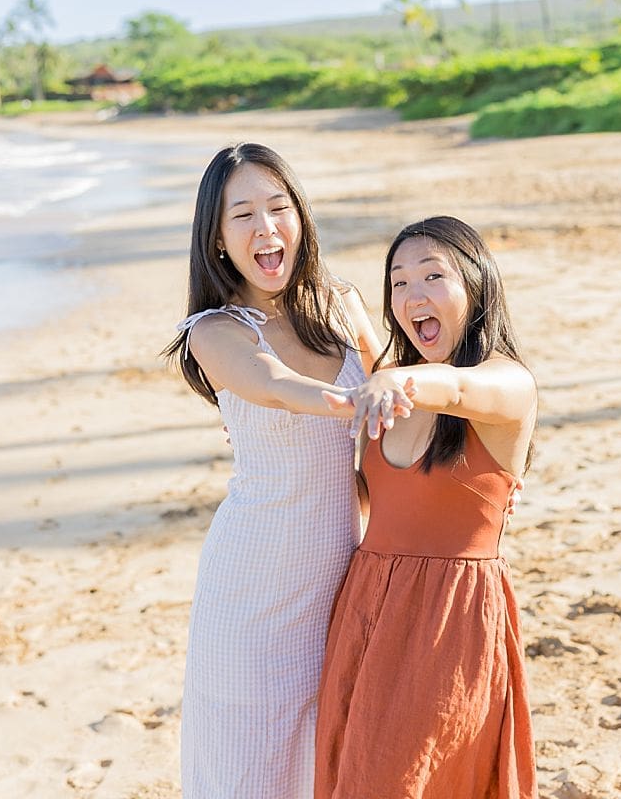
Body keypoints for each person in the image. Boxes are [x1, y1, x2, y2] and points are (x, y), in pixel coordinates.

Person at [162, 142, 410, 798]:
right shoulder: (215, 331)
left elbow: (401, 388)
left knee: (317, 757)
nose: (266, 228)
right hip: (251, 583)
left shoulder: (341, 303)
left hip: (337, 571)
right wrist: (352, 401)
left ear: (299, 216)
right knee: (247, 765)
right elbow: (273, 385)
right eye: (242, 215)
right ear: (216, 239)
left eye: (278, 207)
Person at [315, 216, 539, 798]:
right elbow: (368, 492)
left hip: (449, 620)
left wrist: (398, 380)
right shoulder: (390, 381)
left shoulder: (508, 384)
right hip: (366, 606)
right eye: (399, 283)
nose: (414, 295)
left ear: (477, 284)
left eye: (432, 276)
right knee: (354, 775)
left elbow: (458, 390)